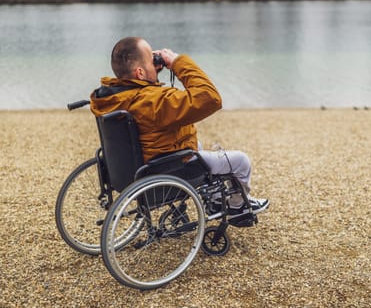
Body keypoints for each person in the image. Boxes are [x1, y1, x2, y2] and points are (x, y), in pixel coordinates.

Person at [90, 36, 269, 215]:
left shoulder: (112, 97)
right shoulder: (155, 101)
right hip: (166, 170)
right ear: (140, 73)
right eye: (150, 60)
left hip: (134, 168)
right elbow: (210, 97)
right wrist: (177, 62)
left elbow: (142, 92)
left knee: (197, 145)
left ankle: (215, 198)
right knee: (241, 161)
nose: (156, 60)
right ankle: (237, 205)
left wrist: (150, 73)